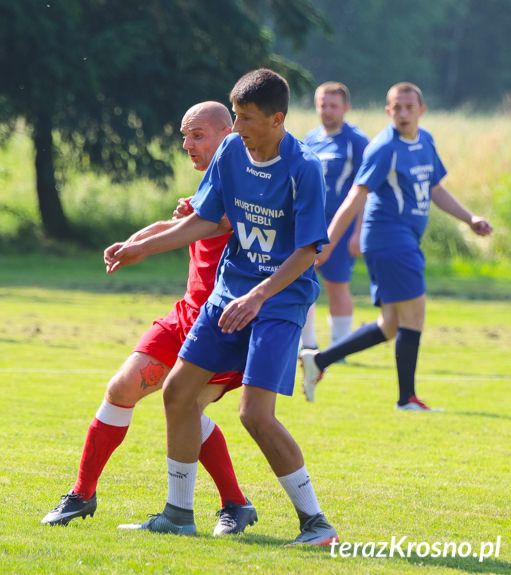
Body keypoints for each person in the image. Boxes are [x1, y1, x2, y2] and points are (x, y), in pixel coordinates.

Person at [108, 69, 337, 545]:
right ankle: (178, 513)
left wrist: (258, 297)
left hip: (278, 301)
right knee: (177, 393)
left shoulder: (304, 168)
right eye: (234, 116)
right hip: (229, 294)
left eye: (247, 118)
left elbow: (307, 251)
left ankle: (316, 524)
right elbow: (206, 221)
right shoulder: (233, 150)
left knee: (255, 415)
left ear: (277, 120)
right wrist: (141, 248)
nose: (237, 127)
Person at [42, 102, 257, 536]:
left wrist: (146, 245)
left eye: (197, 135)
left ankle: (232, 503)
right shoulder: (211, 183)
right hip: (185, 317)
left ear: (227, 133)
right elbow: (181, 221)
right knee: (121, 388)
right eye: (185, 136)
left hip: (223, 328)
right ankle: (82, 494)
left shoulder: (250, 184)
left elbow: (206, 225)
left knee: (187, 408)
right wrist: (132, 240)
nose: (188, 145)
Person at [300, 83, 493, 410]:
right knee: (414, 314)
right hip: (389, 239)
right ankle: (407, 399)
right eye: (396, 108)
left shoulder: (425, 141)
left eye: (408, 107)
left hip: (403, 240)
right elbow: (355, 197)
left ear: (421, 110)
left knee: (390, 325)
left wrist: (469, 218)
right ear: (388, 112)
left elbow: (435, 189)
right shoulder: (383, 147)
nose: (403, 113)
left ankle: (319, 360)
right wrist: (330, 242)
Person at [299, 82, 369, 387]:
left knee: (337, 285)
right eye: (322, 104)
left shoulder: (356, 142)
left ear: (346, 107)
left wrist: (359, 232)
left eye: (333, 105)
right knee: (303, 282)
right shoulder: (310, 139)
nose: (327, 110)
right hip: (310, 227)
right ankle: (308, 344)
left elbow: (366, 190)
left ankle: (339, 347)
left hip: (342, 230)